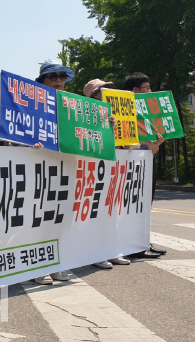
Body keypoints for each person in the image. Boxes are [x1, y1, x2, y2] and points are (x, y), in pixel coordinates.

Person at [33, 61, 75, 285]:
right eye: (53, 76)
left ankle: (56, 263)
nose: (59, 80)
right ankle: (37, 266)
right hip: (39, 169)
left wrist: (104, 123)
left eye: (62, 76)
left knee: (61, 219)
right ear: (42, 82)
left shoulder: (73, 105)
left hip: (65, 167)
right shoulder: (32, 103)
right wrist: (31, 144)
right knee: (41, 220)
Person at [83, 79, 131, 269]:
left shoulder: (116, 114)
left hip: (115, 168)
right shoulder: (85, 115)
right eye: (103, 90)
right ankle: (95, 253)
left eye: (110, 88)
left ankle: (112, 251)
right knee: (97, 214)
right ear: (93, 96)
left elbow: (128, 143)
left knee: (113, 214)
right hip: (96, 169)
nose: (109, 92)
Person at [124, 72, 166, 257]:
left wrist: (156, 143)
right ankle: (134, 245)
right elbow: (124, 135)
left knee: (145, 204)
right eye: (147, 88)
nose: (150, 91)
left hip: (147, 161)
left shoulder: (147, 112)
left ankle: (143, 242)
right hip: (132, 163)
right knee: (134, 204)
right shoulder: (125, 109)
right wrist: (145, 144)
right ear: (135, 90)